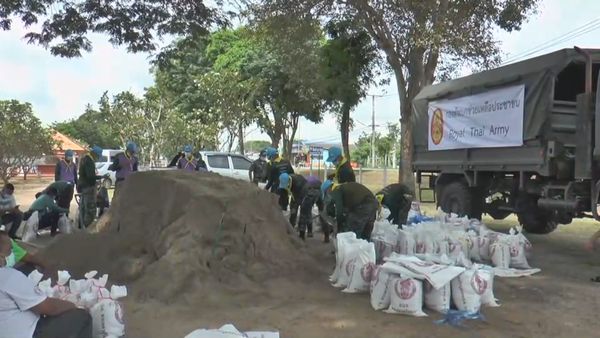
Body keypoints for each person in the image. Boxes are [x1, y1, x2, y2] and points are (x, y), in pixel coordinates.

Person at [0, 231, 92, 338]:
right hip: (29, 332)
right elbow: (50, 308)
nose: (12, 253)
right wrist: (75, 306)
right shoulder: (8, 277)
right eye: (10, 250)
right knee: (82, 317)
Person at [279, 173, 324, 240]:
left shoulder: (299, 182)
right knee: (293, 212)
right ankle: (291, 229)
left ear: (289, 181)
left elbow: (302, 200)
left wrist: (300, 227)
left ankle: (304, 233)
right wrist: (284, 206)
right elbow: (284, 195)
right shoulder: (284, 181)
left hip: (305, 195)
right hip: (295, 196)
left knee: (305, 213)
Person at [78, 145, 104, 229]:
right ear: (95, 154)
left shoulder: (84, 159)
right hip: (88, 187)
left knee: (83, 209)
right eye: (98, 156)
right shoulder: (89, 161)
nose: (98, 158)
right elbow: (90, 176)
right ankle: (88, 228)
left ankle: (81, 226)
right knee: (90, 209)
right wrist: (100, 177)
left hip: (83, 186)